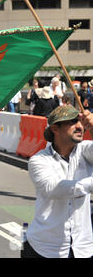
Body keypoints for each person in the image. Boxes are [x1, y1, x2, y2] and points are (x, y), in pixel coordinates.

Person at [23, 106, 93, 258]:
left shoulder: (86, 151)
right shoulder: (38, 160)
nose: (80, 126)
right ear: (55, 129)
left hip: (83, 249)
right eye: (72, 122)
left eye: (80, 121)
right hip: (46, 249)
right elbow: (55, 189)